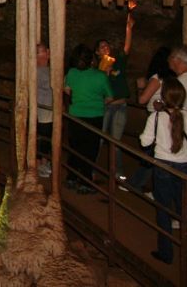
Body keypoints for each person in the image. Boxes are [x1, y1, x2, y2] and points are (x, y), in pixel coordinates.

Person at [139, 76, 187, 264]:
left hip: (162, 167)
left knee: (163, 209)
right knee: (184, 208)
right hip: (184, 166)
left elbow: (145, 141)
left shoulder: (156, 117)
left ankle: (166, 252)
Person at [65, 44, 113, 194]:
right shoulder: (100, 76)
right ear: (92, 60)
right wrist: (97, 101)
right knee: (90, 150)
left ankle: (72, 177)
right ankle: (85, 182)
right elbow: (110, 97)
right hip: (94, 116)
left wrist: (78, 97)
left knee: (75, 147)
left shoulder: (72, 73)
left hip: (75, 115)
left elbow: (66, 89)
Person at [127, 46, 174, 193]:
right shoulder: (172, 79)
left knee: (152, 152)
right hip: (169, 117)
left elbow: (142, 100)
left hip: (156, 118)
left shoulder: (157, 78)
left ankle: (135, 183)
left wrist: (140, 87)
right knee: (159, 151)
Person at [95, 11, 134, 180]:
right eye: (102, 47)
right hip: (106, 107)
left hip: (120, 106)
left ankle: (118, 173)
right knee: (99, 139)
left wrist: (129, 29)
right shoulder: (97, 69)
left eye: (107, 45)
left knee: (116, 141)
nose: (106, 47)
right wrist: (104, 72)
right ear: (97, 52)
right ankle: (91, 169)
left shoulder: (118, 61)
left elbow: (126, 48)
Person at [36, 43, 53, 178]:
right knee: (43, 136)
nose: (44, 54)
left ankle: (44, 161)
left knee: (47, 136)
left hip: (50, 109)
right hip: (42, 109)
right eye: (39, 52)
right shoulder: (35, 71)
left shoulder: (50, 69)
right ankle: (41, 163)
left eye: (44, 51)